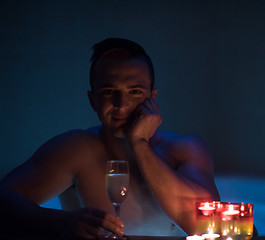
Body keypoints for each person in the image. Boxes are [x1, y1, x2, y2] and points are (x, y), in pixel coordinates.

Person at [0, 38, 220, 239]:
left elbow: (208, 226)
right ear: (92, 99)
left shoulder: (184, 149)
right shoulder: (76, 150)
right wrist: (58, 221)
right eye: (108, 91)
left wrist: (139, 144)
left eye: (134, 92)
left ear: (152, 98)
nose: (121, 104)